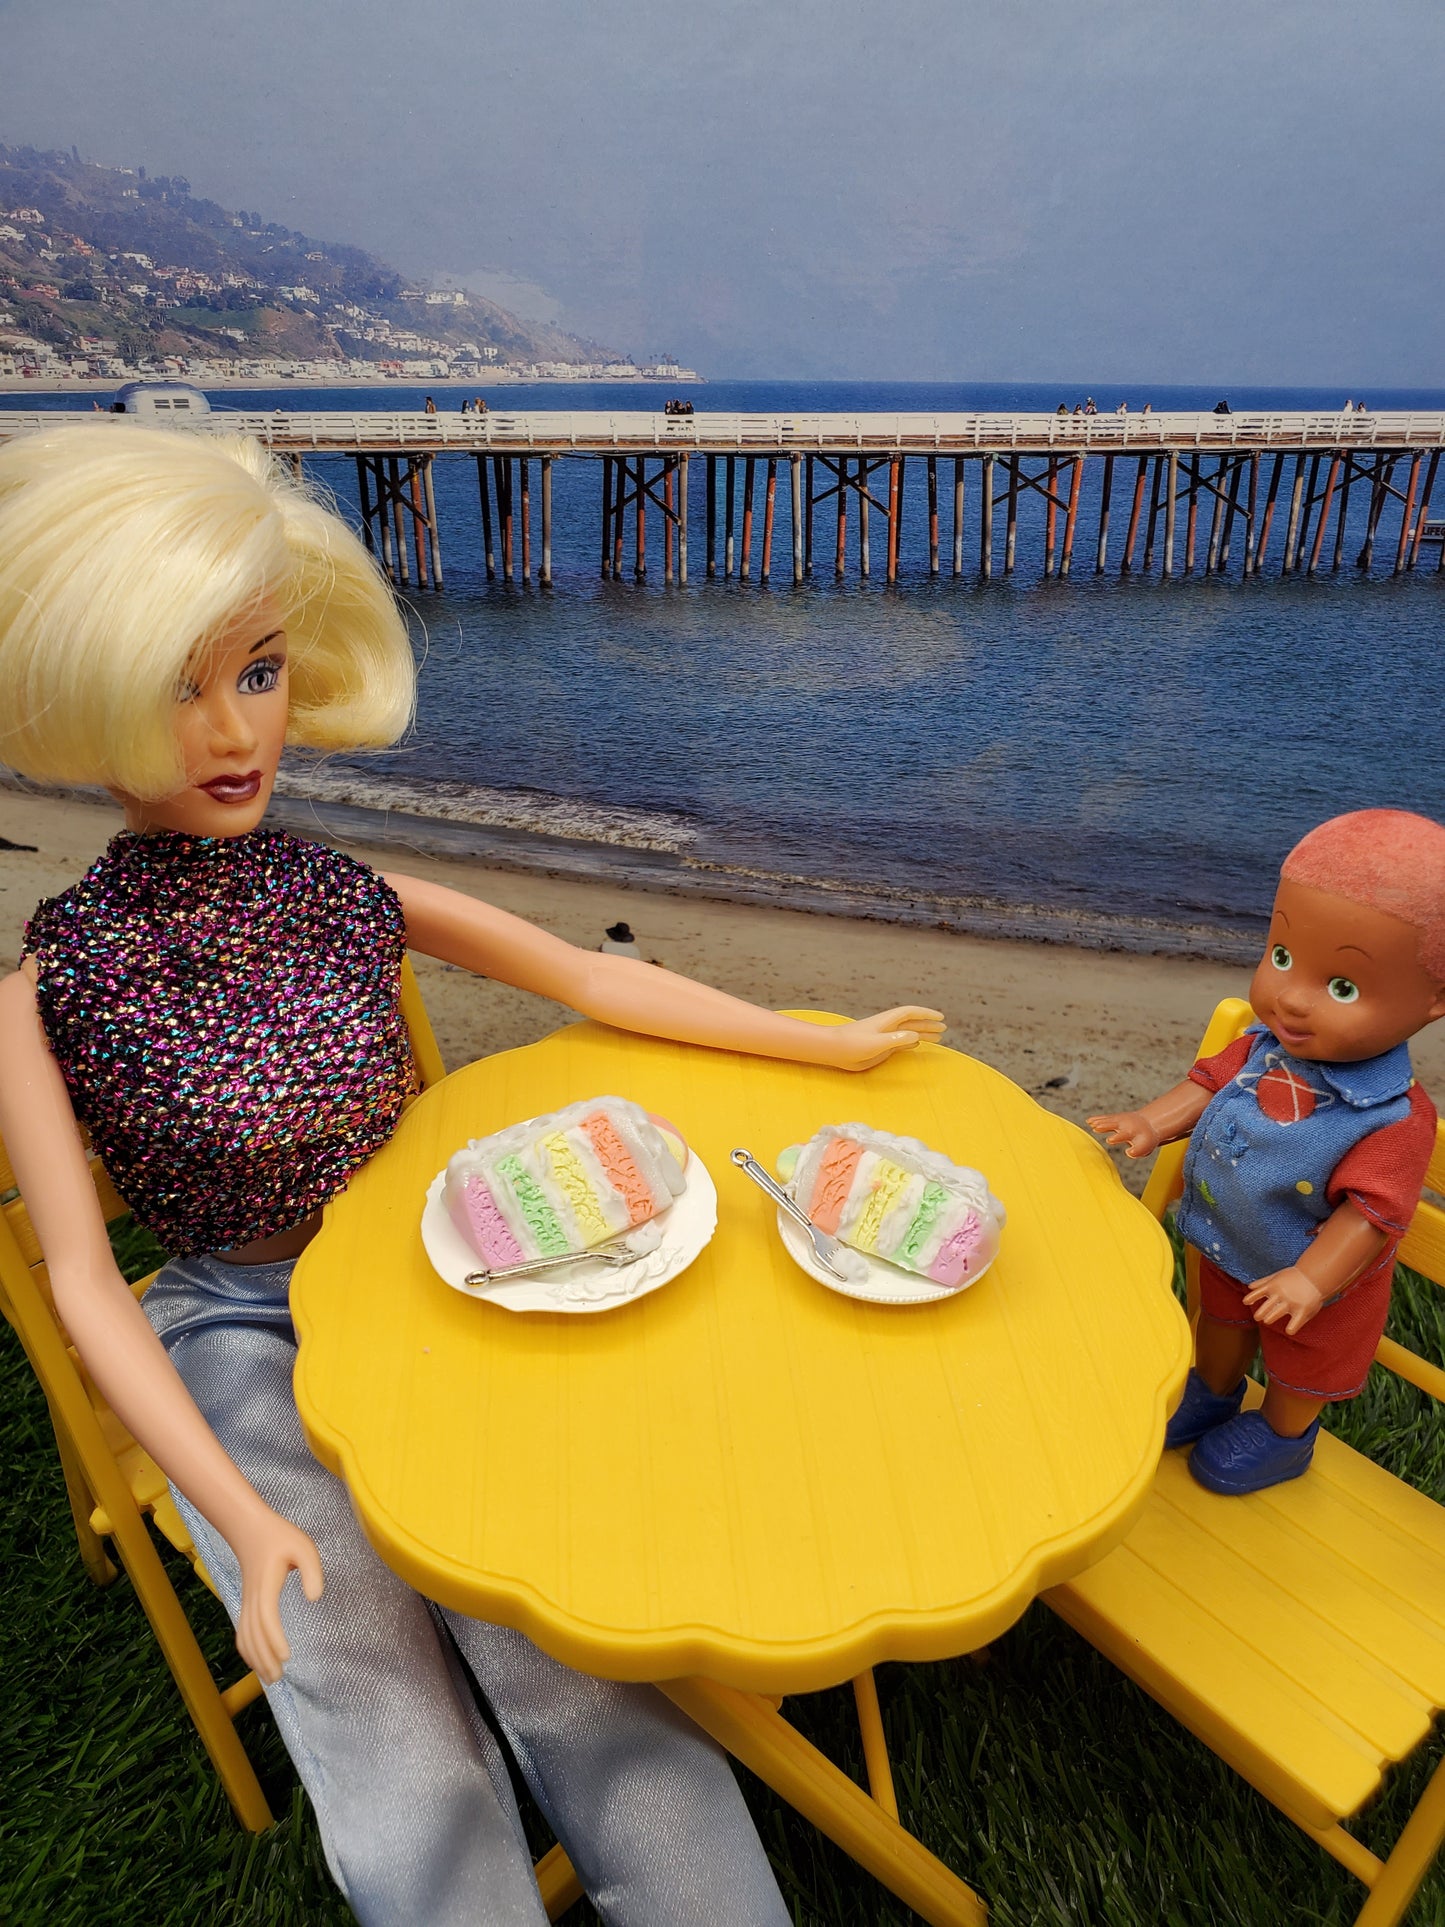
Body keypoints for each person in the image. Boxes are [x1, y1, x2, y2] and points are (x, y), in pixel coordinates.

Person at [0, 424, 946, 1927]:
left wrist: (813, 1043)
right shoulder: (50, 985)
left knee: (566, 1630)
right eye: (177, 685)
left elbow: (585, 974)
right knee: (377, 1703)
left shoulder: (337, 890)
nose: (234, 729)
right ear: (81, 695)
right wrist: (236, 1511)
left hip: (420, 1266)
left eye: (258, 670)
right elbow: (80, 1280)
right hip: (237, 1321)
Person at [1089, 812, 1445, 1495]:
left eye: (1342, 987)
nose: (1291, 999)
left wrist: (1311, 1280)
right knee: (1219, 1324)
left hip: (1318, 1285)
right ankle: (1213, 1390)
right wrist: (1150, 1121)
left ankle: (1286, 1436)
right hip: (1230, 1240)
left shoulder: (1393, 1119)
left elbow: (1370, 1215)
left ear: (1435, 1000)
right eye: (1281, 957)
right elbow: (1206, 1085)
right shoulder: (1261, 1045)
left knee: (1303, 1364)